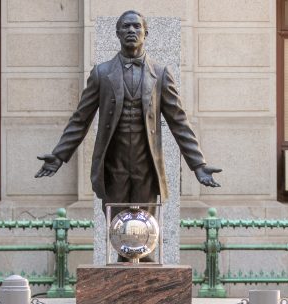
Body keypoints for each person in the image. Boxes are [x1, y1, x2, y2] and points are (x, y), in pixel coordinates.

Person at [35, 10, 221, 216]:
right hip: (113, 166)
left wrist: (198, 165)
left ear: (146, 33)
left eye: (137, 26)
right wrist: (59, 155)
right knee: (117, 230)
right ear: (117, 33)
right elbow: (80, 119)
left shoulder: (160, 74)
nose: (131, 30)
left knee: (145, 231)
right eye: (126, 26)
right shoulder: (101, 73)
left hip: (147, 167)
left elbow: (179, 122)